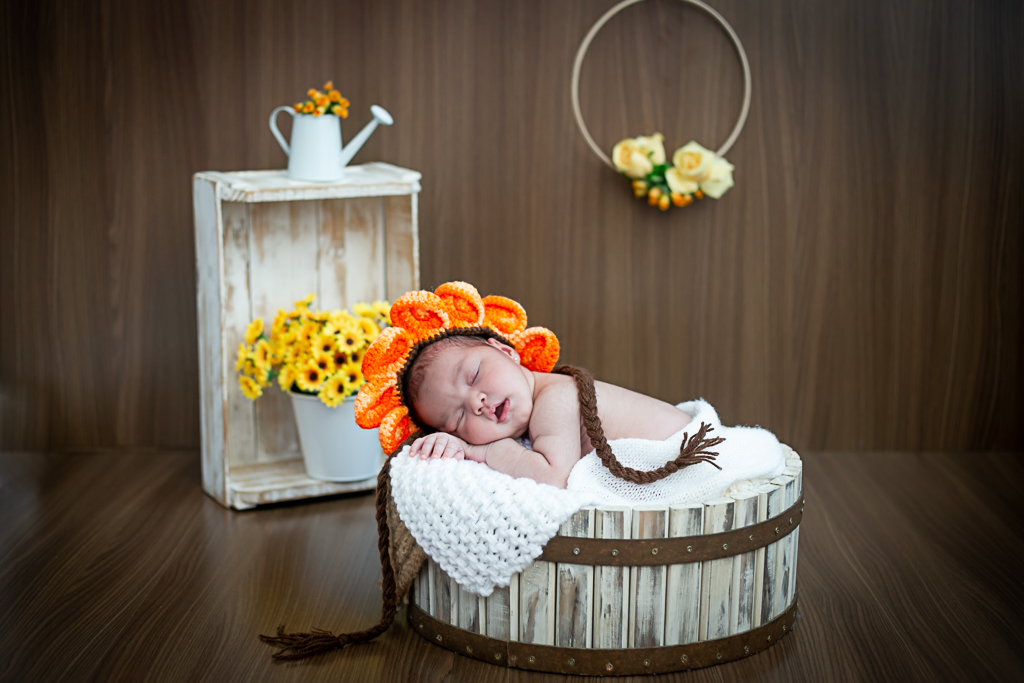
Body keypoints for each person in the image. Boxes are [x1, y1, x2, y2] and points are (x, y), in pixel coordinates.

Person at [404, 334, 692, 488]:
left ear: (506, 351)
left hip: (690, 455)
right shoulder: (535, 404)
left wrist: (480, 450)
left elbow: (553, 477)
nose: (475, 403)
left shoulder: (555, 398)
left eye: (474, 375)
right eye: (458, 418)